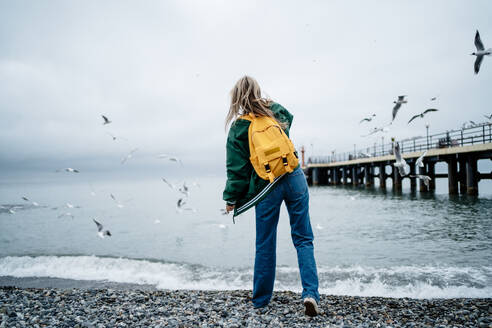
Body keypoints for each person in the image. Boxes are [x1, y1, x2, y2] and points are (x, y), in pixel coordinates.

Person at [223, 75, 320, 316]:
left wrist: (231, 199)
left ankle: (261, 300)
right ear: (258, 91)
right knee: (303, 238)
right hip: (294, 175)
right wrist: (266, 105)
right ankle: (310, 293)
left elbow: (237, 172)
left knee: (265, 242)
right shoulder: (274, 110)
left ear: (235, 98)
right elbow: (290, 117)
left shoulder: (238, 128)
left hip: (267, 186)